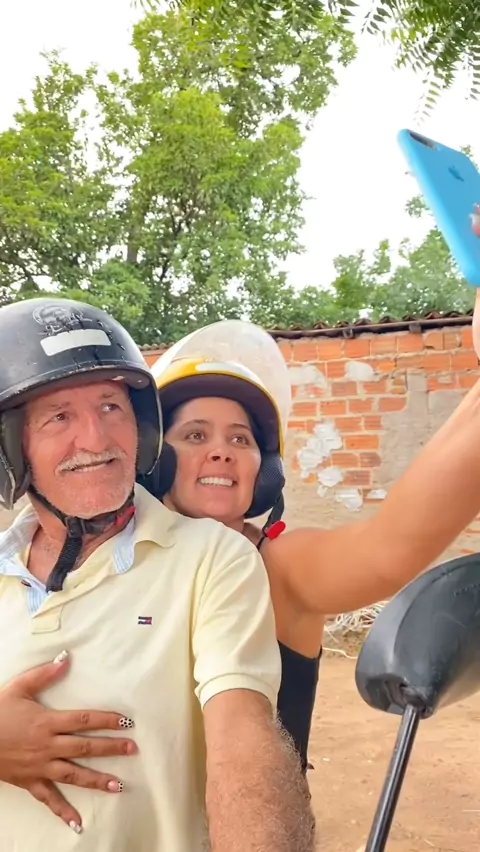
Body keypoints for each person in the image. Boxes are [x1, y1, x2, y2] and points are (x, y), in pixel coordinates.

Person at [0, 298, 314, 851]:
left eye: (111, 407)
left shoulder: (212, 558)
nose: (97, 440)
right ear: (11, 448)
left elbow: (243, 738)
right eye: (59, 417)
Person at [143, 309, 480, 775]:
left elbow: (386, 549)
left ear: (264, 474)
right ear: (156, 461)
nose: (221, 451)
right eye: (195, 435)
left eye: (240, 439)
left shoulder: (279, 565)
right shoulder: (122, 561)